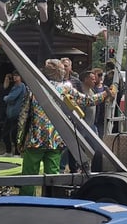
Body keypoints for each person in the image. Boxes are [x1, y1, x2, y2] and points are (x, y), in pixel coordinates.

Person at [17, 59, 115, 196]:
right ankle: (51, 201)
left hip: (35, 137)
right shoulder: (66, 88)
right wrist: (104, 94)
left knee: (29, 176)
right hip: (56, 136)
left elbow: (23, 115)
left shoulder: (34, 87)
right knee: (53, 177)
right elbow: (87, 100)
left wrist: (19, 139)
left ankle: (26, 202)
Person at [2, 72, 27, 155]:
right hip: (10, 113)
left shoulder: (21, 86)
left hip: (17, 113)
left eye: (17, 76)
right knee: (5, 133)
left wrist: (6, 98)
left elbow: (10, 98)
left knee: (15, 134)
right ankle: (8, 151)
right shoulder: (13, 86)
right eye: (14, 76)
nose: (15, 77)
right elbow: (5, 89)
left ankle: (17, 153)